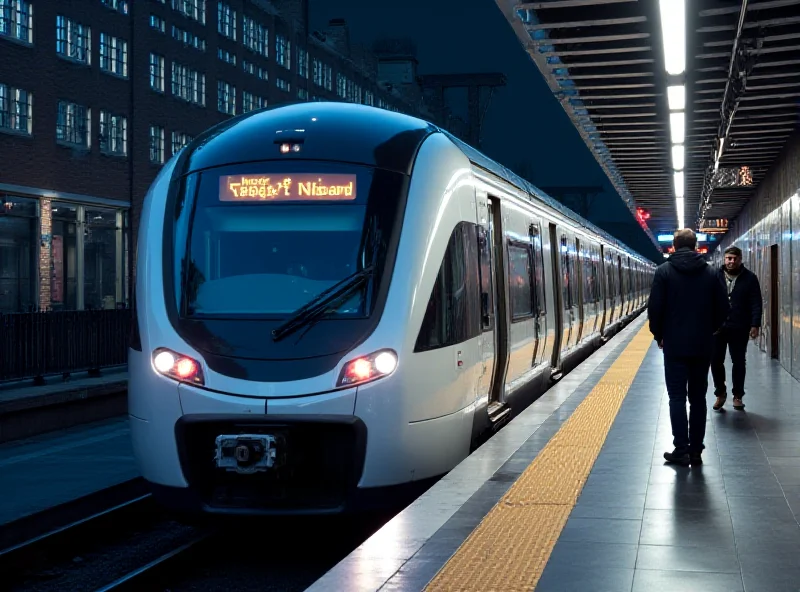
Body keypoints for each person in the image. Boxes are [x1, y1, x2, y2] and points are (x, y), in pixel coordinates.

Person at [648, 229, 729, 466]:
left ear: (673, 246)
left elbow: (655, 309)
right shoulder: (713, 273)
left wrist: (660, 335)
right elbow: (724, 308)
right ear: (695, 246)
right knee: (698, 398)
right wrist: (710, 329)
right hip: (703, 345)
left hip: (674, 345)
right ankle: (696, 451)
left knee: (676, 397)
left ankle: (681, 449)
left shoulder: (663, 272)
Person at [711, 246, 763, 411]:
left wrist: (755, 325)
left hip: (739, 327)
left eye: (734, 258)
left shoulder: (750, 278)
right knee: (715, 361)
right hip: (717, 328)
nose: (731, 261)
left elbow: (756, 303)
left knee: (739, 362)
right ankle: (720, 393)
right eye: (728, 258)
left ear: (740, 259)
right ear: (724, 259)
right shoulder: (714, 276)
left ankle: (737, 396)